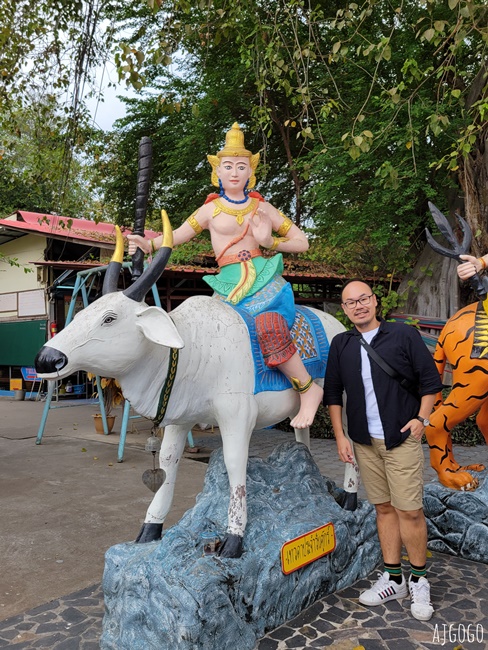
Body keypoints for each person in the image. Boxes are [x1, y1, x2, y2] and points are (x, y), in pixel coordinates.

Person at [127, 123, 322, 429]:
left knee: (268, 325)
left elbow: (303, 242)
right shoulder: (209, 211)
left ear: (250, 173)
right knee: (210, 338)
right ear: (217, 172)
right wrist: (146, 244)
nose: (234, 172)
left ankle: (308, 388)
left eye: (241, 167)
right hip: (227, 286)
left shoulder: (263, 208)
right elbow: (175, 237)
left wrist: (269, 241)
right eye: (228, 166)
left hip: (263, 279)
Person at [323, 280, 443, 622]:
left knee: (410, 512)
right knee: (384, 508)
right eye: (350, 302)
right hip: (363, 441)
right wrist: (340, 436)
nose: (358, 305)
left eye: (364, 299)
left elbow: (430, 381)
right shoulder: (341, 344)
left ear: (375, 302)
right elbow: (333, 392)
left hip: (400, 438)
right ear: (344, 310)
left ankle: (418, 580)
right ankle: (393, 578)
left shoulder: (403, 336)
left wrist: (422, 418)